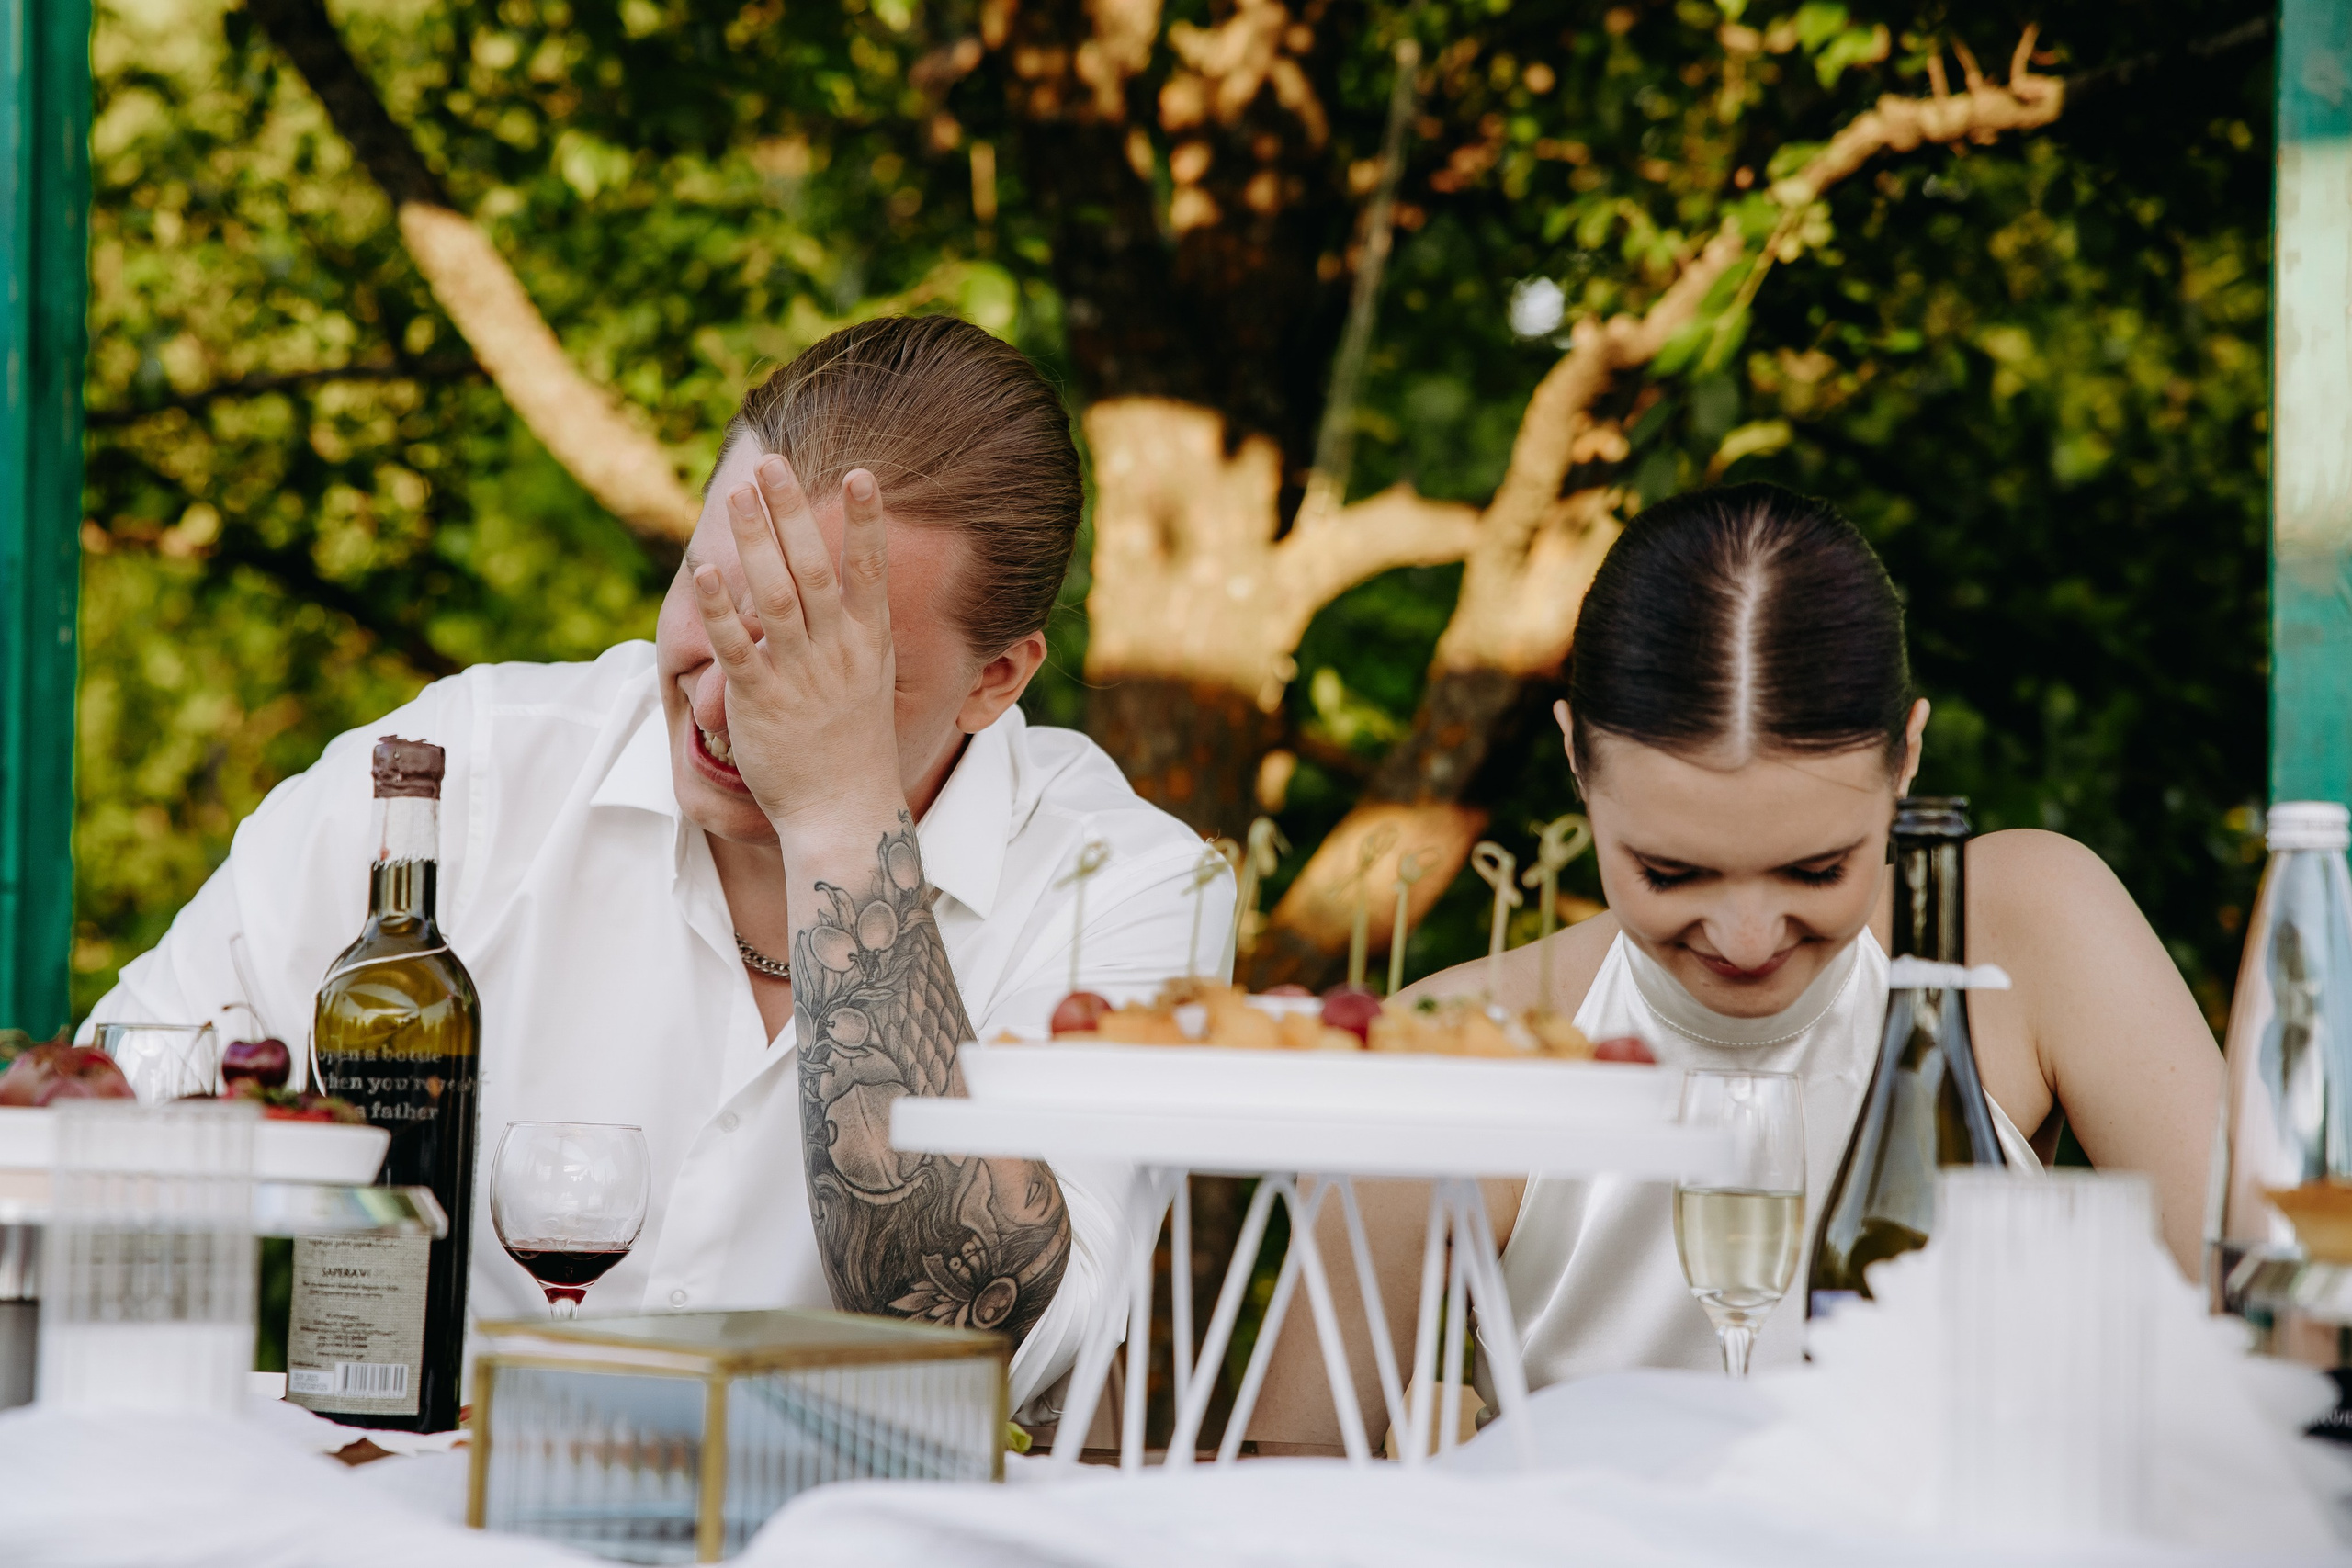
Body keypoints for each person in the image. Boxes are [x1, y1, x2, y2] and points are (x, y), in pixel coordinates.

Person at [87, 314, 1229, 1418]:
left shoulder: (1120, 890)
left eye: (832, 667)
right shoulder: (469, 772)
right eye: (714, 602)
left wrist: (837, 815)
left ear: (997, 680)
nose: (727, 705)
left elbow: (983, 1341)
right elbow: (105, 1125)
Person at [1250, 481, 2222, 1447]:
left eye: (1816, 869)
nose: (1748, 940)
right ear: (1577, 763)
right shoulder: (1457, 1044)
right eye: (1671, 872)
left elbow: (2266, 1326)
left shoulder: (2021, 929)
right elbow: (1286, 1481)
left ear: (1906, 760)